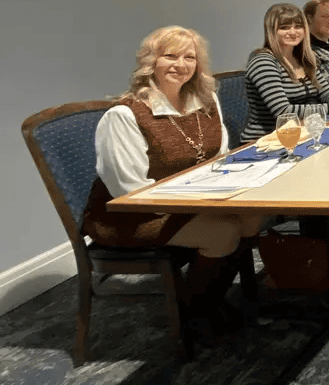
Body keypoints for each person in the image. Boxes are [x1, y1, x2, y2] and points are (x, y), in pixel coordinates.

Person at [85, 26, 263, 331]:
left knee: (253, 218)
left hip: (189, 200)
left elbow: (218, 158)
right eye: (170, 56)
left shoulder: (205, 103)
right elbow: (131, 192)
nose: (180, 65)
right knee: (221, 232)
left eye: (189, 57)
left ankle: (211, 295)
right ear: (150, 62)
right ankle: (191, 315)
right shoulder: (125, 115)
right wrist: (202, 201)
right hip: (130, 215)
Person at [243, 3, 329, 144]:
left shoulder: (304, 58)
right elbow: (284, 112)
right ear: (271, 31)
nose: (293, 32)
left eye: (298, 26)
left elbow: (324, 91)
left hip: (303, 133)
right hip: (266, 141)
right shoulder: (263, 61)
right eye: (284, 28)